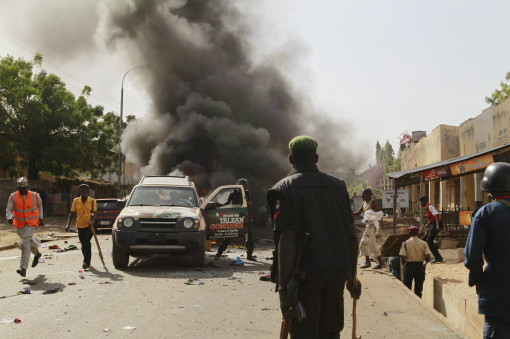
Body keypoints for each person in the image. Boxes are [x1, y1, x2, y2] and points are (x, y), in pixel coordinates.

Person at [267, 135, 360, 338]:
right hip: (336, 276)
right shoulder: (338, 187)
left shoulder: (285, 189)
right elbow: (352, 237)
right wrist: (352, 276)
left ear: (291, 159)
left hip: (305, 280)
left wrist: (283, 290)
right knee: (331, 332)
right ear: (316, 158)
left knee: (304, 333)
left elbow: (287, 240)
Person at [465, 162, 510, 338]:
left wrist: (477, 279)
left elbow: (472, 255)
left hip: (498, 294)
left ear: (489, 189)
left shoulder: (485, 213)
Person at [6, 177, 44, 277]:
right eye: (20, 188)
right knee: (28, 241)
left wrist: (41, 218)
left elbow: (40, 206)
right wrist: (9, 217)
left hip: (31, 223)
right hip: (19, 224)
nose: (22, 190)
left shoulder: (35, 195)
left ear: (27, 187)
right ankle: (37, 253)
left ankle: (23, 268)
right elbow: (9, 209)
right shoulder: (13, 196)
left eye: (24, 188)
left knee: (25, 244)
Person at [215, 178, 256, 260]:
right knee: (230, 234)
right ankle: (219, 253)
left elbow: (250, 204)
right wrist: (220, 205)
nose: (242, 185)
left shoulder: (247, 193)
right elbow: (228, 202)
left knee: (249, 236)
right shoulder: (233, 192)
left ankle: (249, 255)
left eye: (244, 184)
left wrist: (244, 199)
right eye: (241, 183)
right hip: (235, 216)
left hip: (244, 216)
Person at [66, 184, 97, 269]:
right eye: (81, 191)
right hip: (80, 225)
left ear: (88, 191)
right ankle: (87, 260)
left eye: (85, 190)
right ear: (79, 192)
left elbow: (94, 212)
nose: (83, 192)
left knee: (86, 241)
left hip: (89, 225)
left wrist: (93, 218)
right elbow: (72, 213)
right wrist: (68, 224)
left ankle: (86, 262)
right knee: (83, 244)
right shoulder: (76, 201)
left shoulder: (92, 201)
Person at [354, 188, 385, 269]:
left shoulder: (373, 202)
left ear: (368, 194)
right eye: (362, 194)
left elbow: (380, 213)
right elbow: (358, 213)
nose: (362, 195)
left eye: (363, 194)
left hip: (373, 225)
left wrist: (372, 217)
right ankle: (381, 262)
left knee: (364, 242)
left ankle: (367, 262)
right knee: (372, 244)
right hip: (368, 225)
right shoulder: (364, 203)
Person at [399, 226, 431, 298]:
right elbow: (428, 256)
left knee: (407, 285)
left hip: (409, 266)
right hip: (420, 266)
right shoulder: (424, 243)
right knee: (419, 287)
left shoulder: (405, 243)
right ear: (418, 233)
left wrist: (404, 265)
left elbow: (402, 257)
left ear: (409, 233)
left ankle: (409, 301)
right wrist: (424, 264)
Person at [418, 195, 443, 263]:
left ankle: (438, 257)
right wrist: (427, 225)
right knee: (423, 240)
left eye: (421, 202)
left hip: (437, 224)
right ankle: (422, 255)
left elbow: (437, 215)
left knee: (429, 241)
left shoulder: (430, 206)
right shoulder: (427, 207)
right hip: (434, 224)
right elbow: (432, 218)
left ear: (424, 201)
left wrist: (438, 226)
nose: (421, 204)